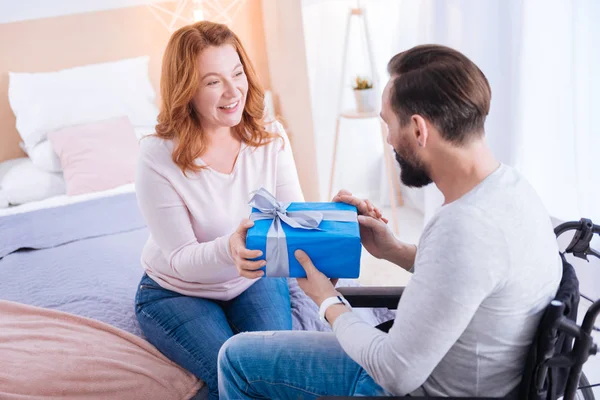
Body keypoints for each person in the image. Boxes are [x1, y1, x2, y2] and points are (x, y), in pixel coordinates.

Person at [217, 44, 563, 399]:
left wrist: (326, 299)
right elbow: (471, 276)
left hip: (414, 388)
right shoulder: (513, 188)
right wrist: (394, 250)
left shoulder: (463, 228)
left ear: (418, 129)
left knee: (236, 358)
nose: (388, 139)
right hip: (470, 371)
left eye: (388, 123)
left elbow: (393, 373)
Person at [134, 21, 303, 400]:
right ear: (186, 90)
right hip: (175, 291)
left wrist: (340, 218)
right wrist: (230, 248)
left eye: (237, 73)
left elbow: (293, 221)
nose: (233, 92)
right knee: (241, 378)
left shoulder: (270, 138)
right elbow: (179, 258)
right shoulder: (157, 155)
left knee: (276, 375)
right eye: (213, 82)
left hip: (252, 278)